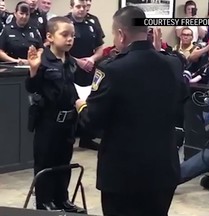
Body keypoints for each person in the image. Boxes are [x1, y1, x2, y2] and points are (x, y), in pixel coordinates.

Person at [76, 6, 185, 216]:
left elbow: (92, 122)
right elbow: (180, 106)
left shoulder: (111, 69)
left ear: (121, 34)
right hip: (163, 169)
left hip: (123, 175)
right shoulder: (172, 64)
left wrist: (81, 105)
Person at [25, 16, 85, 213]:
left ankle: (62, 199)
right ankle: (44, 201)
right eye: (64, 35)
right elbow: (32, 88)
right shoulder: (42, 60)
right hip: (48, 122)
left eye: (72, 36)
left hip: (68, 122)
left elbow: (71, 89)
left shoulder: (69, 61)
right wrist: (33, 72)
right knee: (46, 162)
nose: (70, 39)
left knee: (64, 162)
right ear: (49, 37)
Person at [66, 0, 104, 150]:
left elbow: (100, 46)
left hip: (89, 68)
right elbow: (59, 48)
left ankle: (86, 138)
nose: (82, 9)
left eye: (84, 6)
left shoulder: (92, 22)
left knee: (90, 102)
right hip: (70, 67)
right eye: (78, 6)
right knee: (71, 102)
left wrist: (92, 59)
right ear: (71, 7)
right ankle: (68, 138)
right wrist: (78, 62)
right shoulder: (65, 22)